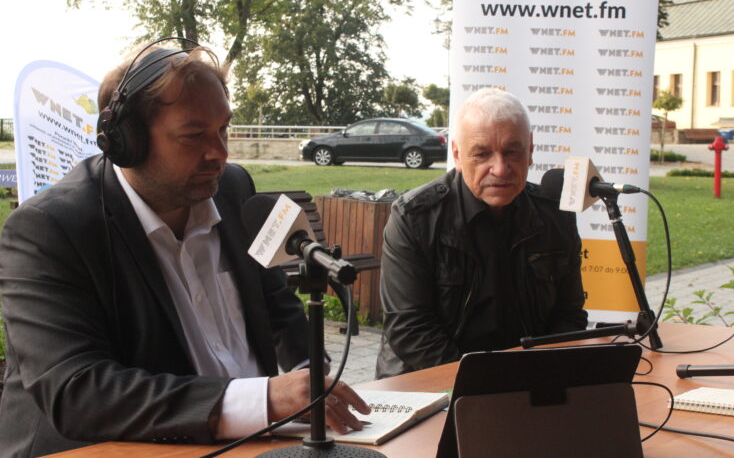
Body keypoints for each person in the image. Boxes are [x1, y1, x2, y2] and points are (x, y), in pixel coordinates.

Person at [0, 44, 368, 458]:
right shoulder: (48, 229)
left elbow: (274, 302)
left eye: (223, 129)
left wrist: (309, 376)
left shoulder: (232, 188)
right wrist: (265, 399)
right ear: (126, 141)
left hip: (256, 442)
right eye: (194, 135)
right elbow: (76, 390)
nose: (219, 153)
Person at [376, 88, 588, 379]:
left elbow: (569, 315)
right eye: (482, 154)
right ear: (457, 155)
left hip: (528, 378)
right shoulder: (414, 218)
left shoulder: (555, 216)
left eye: (512, 152)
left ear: (530, 150)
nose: (500, 169)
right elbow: (410, 329)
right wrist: (482, 385)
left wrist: (539, 375)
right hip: (429, 381)